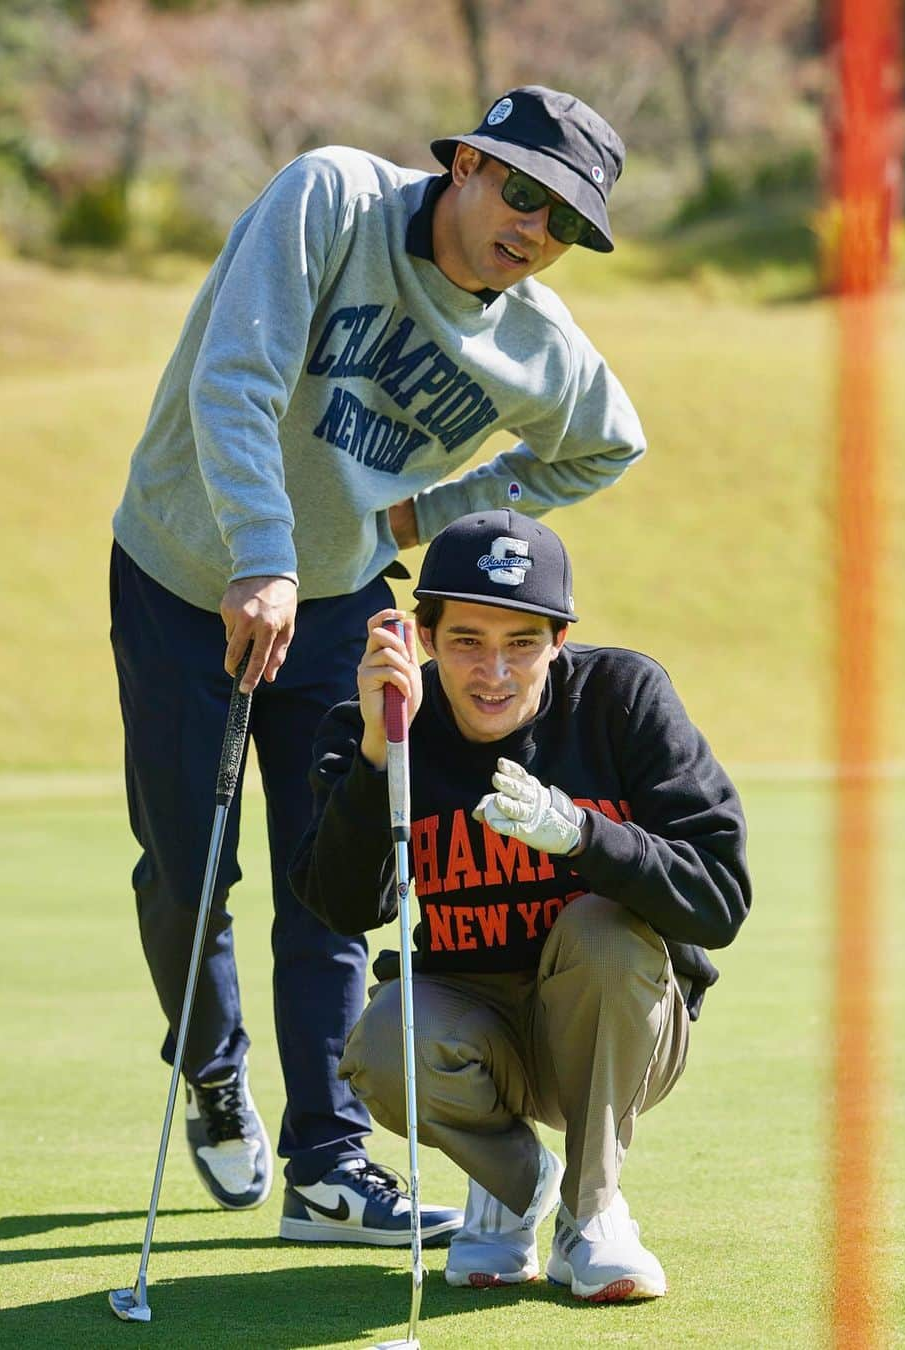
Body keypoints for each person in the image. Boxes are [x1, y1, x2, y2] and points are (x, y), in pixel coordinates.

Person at [109, 85, 647, 1245]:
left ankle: (328, 1162)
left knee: (333, 876)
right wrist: (263, 554)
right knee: (186, 871)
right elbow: (234, 380)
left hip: (342, 593)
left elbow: (610, 444)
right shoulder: (333, 198)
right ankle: (211, 1070)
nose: (533, 230)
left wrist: (415, 522)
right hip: (180, 570)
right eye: (521, 191)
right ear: (464, 163)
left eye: (563, 223)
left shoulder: (538, 344)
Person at [291, 509, 750, 1293]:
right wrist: (376, 755)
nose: (493, 672)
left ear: (559, 642)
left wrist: (582, 838)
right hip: (471, 1025)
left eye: (522, 643)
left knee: (603, 929)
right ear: (425, 638)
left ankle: (593, 1212)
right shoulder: (375, 726)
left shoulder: (623, 698)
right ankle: (514, 1187)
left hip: (620, 1022)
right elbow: (340, 906)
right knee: (380, 1043)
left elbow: (720, 898)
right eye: (467, 640)